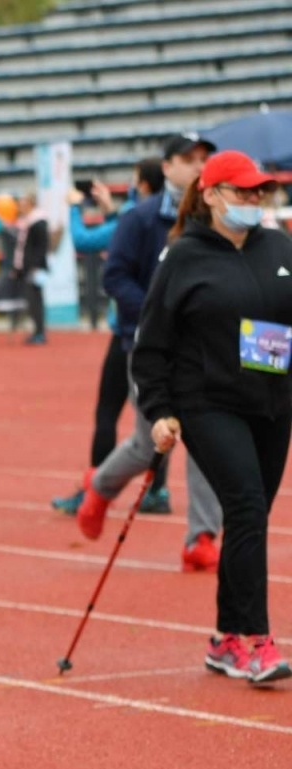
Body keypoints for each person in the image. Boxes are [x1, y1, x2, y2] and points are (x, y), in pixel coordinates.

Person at [134, 151, 292, 685]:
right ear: (212, 194)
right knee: (246, 504)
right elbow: (151, 344)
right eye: (243, 192)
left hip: (272, 403)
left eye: (259, 193)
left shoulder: (279, 247)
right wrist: (159, 410)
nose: (253, 201)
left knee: (249, 518)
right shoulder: (183, 257)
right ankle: (256, 641)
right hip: (206, 403)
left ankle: (225, 637)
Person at [78, 135, 224, 573]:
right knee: (149, 444)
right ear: (166, 166)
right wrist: (158, 314)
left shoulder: (218, 222)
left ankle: (201, 536)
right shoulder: (139, 219)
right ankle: (101, 487)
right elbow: (114, 276)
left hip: (203, 353)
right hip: (149, 350)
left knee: (205, 441)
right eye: (188, 159)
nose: (198, 166)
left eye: (205, 159)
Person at [53, 158, 167, 517]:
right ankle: (156, 489)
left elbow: (85, 239)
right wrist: (109, 209)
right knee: (158, 413)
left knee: (110, 412)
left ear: (145, 184)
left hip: (129, 332)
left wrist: (75, 206)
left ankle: (92, 489)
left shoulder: (134, 216)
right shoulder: (162, 219)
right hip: (160, 331)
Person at [14, 191, 51, 345]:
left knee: (36, 301)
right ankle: (37, 331)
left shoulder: (38, 222)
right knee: (32, 301)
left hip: (34, 269)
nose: (20, 206)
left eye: (23, 203)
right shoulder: (28, 222)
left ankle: (40, 332)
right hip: (28, 268)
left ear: (30, 204)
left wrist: (35, 266)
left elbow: (41, 247)